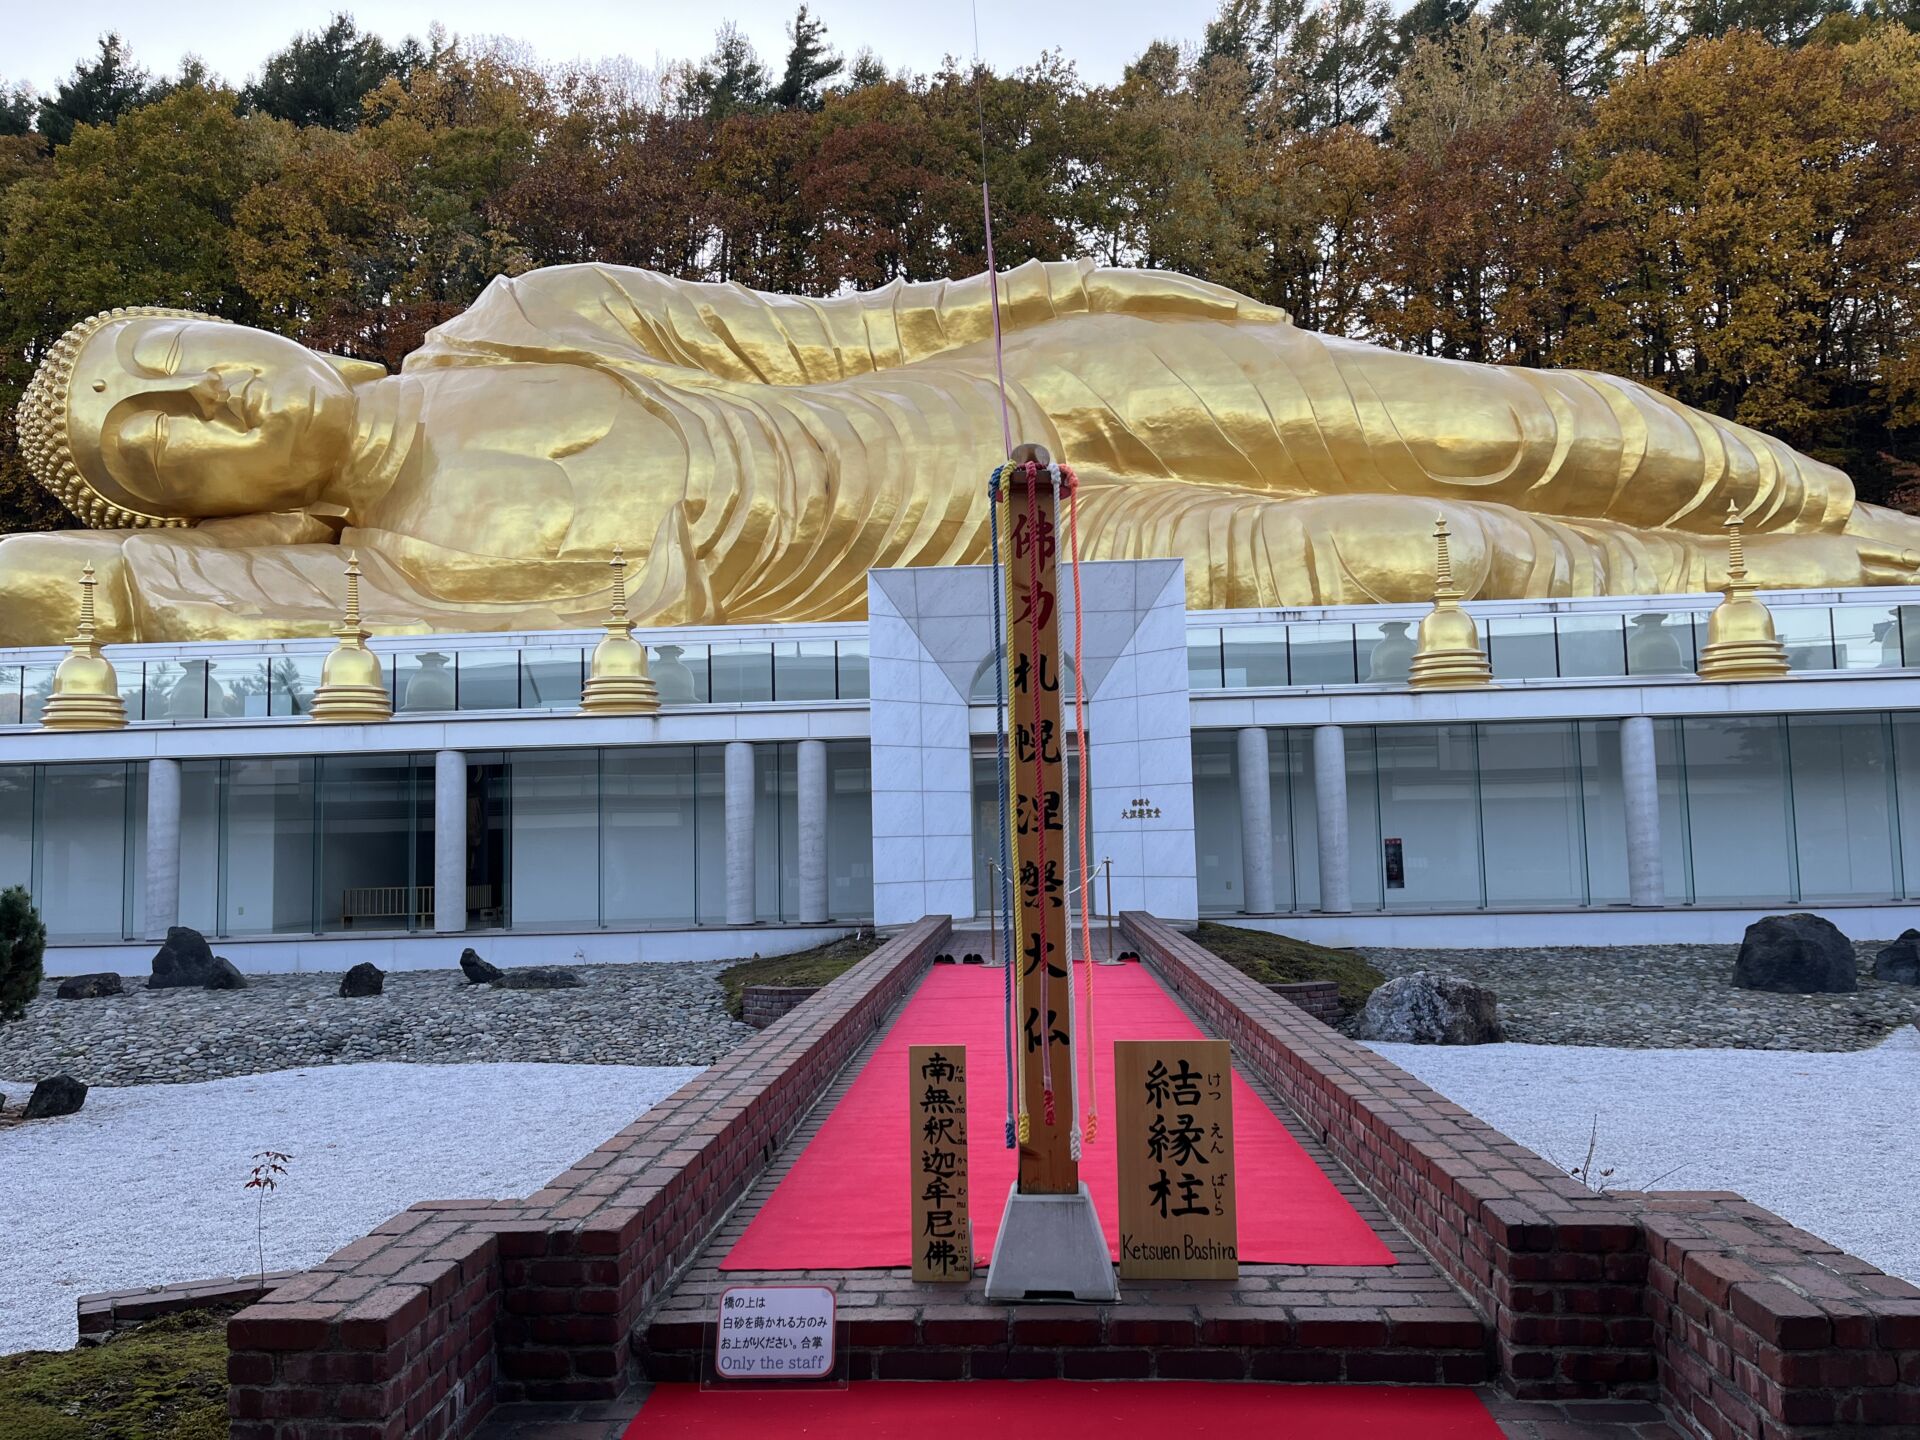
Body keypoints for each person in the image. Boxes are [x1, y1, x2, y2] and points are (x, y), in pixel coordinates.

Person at [7, 258, 1914, 644]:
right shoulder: (386, 583)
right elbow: (92, 596)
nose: (200, 409)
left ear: (245, 326)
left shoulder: (531, 314)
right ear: (218, 514)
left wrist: (1080, 282)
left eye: (176, 361)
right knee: (1443, 557)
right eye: (158, 447)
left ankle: (1846, 507)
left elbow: (841, 332)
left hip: (1018, 390)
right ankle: (1842, 579)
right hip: (1024, 556)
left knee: (1507, 419)